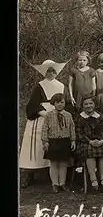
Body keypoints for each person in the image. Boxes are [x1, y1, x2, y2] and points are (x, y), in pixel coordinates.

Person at [20, 60, 71, 188]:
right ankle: (30, 173)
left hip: (59, 115)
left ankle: (58, 177)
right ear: (44, 72)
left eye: (53, 71)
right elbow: (33, 104)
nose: (51, 73)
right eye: (48, 71)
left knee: (58, 142)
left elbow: (68, 103)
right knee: (38, 142)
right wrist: (44, 113)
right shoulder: (39, 86)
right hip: (41, 116)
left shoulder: (62, 86)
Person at [75, 94, 103, 192]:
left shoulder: (99, 117)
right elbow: (79, 134)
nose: (88, 106)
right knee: (89, 152)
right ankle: (93, 179)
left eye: (90, 103)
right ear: (83, 106)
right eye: (86, 104)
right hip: (85, 143)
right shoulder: (80, 117)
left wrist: (101, 141)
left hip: (99, 141)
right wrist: (90, 141)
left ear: (94, 104)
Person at [41, 93, 76, 192]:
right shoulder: (49, 115)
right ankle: (55, 184)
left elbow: (72, 128)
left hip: (65, 141)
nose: (60, 105)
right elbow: (44, 129)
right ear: (53, 103)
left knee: (63, 163)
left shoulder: (68, 115)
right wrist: (45, 141)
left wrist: (73, 140)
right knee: (54, 163)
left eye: (62, 102)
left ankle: (62, 183)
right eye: (57, 103)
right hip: (53, 141)